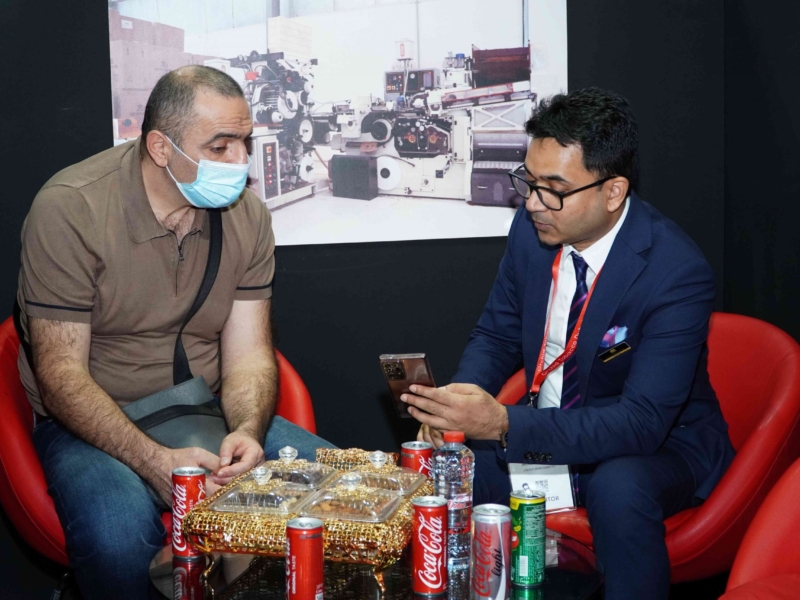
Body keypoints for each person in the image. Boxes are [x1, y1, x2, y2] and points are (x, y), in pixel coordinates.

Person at [403, 88, 736, 600]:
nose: (533, 203)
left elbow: (642, 423)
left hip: (658, 447)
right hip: (548, 429)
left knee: (618, 486)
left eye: (554, 189)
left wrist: (503, 423)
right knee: (449, 465)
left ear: (613, 191)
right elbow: (496, 334)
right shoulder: (531, 231)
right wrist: (459, 405)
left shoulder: (675, 272)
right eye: (529, 182)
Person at [16, 66, 334, 599]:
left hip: (204, 409)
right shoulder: (71, 208)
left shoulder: (247, 216)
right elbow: (60, 375)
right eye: (220, 146)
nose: (241, 162)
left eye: (245, 142)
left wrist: (247, 434)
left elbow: (250, 355)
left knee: (347, 494)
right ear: (161, 147)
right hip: (94, 421)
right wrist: (153, 463)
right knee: (118, 542)